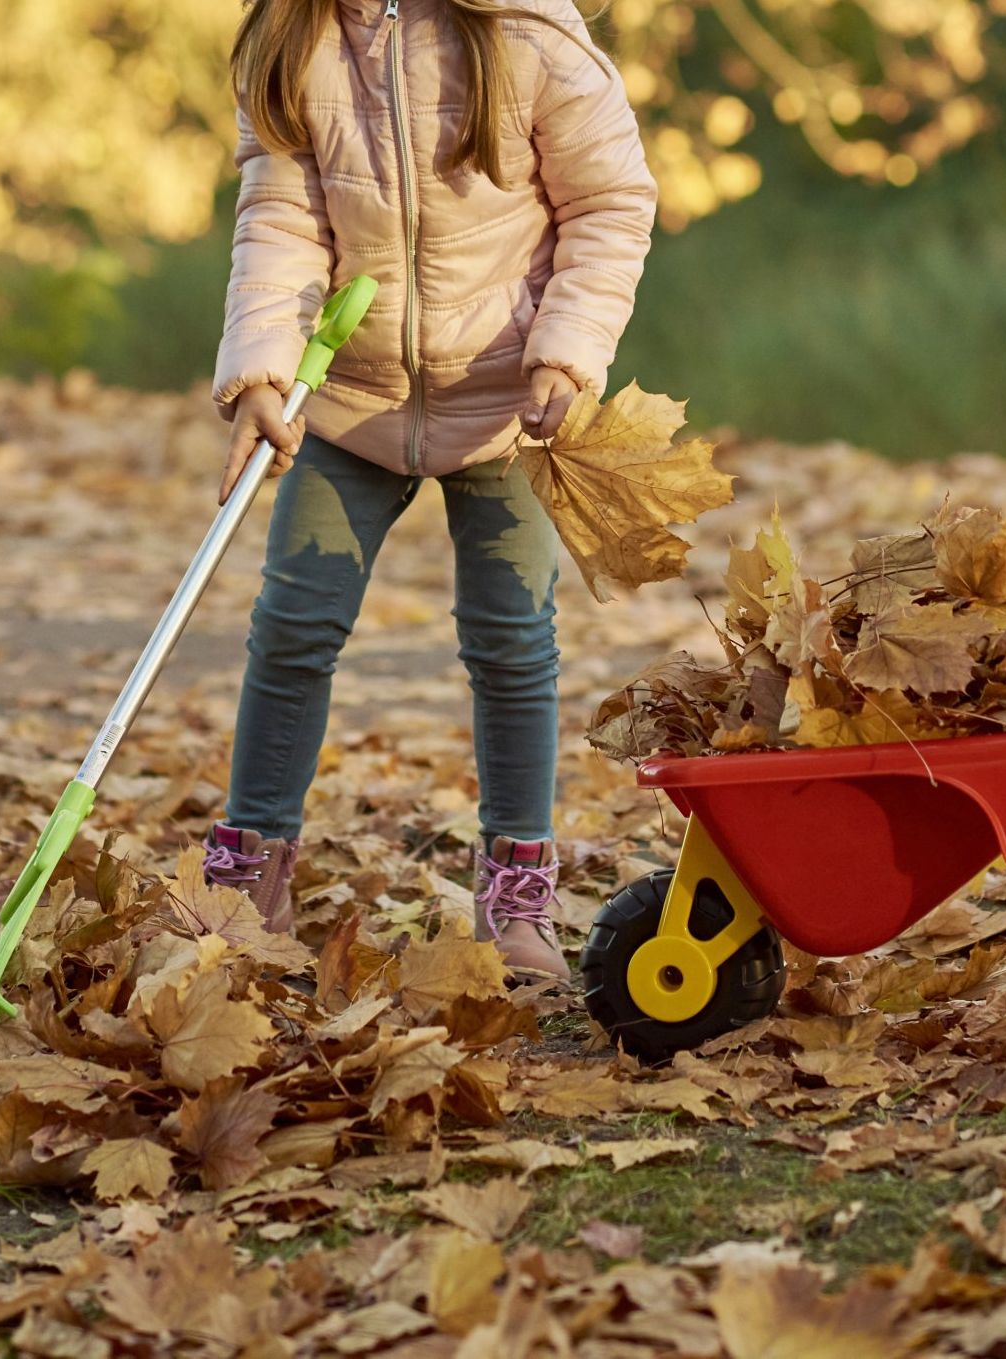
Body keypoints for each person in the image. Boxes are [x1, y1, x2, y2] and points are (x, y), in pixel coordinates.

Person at [199, 0, 658, 982]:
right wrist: (263, 375)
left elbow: (609, 201)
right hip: (350, 398)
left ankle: (517, 887)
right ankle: (251, 875)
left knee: (511, 640)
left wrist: (568, 354)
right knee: (292, 628)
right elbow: (280, 221)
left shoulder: (523, 31)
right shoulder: (294, 37)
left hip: (505, 400)